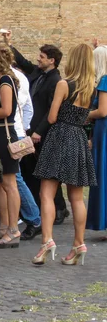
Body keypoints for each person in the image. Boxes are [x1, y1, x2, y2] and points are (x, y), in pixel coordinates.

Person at [32, 44, 97, 265]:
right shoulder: (92, 89)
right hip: (78, 139)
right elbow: (88, 115)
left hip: (59, 136)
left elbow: (51, 117)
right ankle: (79, 244)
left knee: (47, 193)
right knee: (77, 197)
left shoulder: (63, 84)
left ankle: (47, 241)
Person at [3, 31, 68, 223]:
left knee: (47, 172)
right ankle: (41, 207)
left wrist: (39, 131)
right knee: (32, 170)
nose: (38, 59)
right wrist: (9, 44)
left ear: (52, 60)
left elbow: (51, 111)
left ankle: (59, 209)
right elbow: (22, 62)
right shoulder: (37, 73)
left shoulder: (56, 81)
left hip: (43, 133)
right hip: (29, 132)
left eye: (42, 57)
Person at [0, 42, 21, 248]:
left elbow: (6, 109)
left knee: (9, 183)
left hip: (4, 134)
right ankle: (4, 226)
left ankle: (13, 228)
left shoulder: (6, 81)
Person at [11, 66, 42, 241]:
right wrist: (24, 129)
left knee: (14, 177)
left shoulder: (6, 78)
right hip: (19, 132)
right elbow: (28, 108)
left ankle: (33, 218)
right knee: (13, 177)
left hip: (12, 134)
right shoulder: (21, 76)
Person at [87, 46, 107, 233]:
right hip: (102, 131)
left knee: (103, 174)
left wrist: (84, 115)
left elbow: (102, 111)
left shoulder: (104, 81)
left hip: (104, 131)